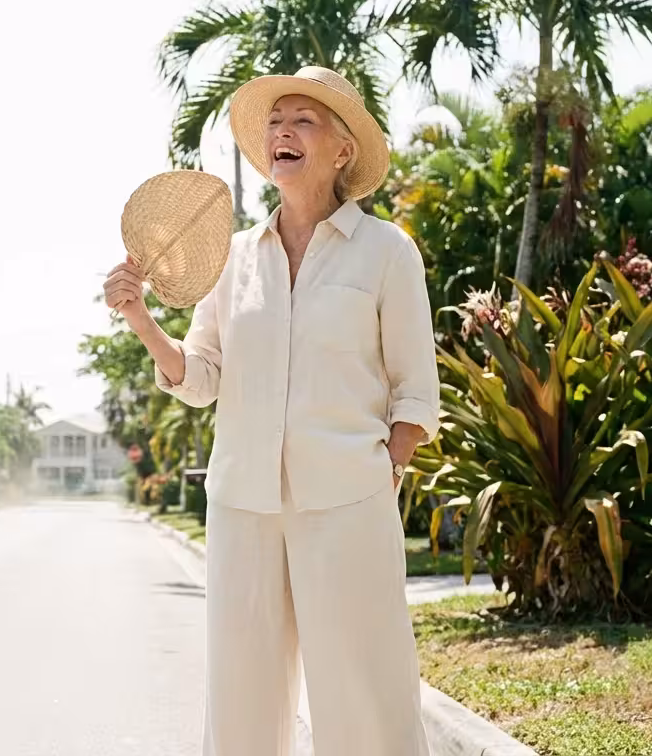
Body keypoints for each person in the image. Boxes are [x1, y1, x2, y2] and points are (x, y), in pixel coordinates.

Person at [103, 66, 439, 756]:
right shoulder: (232, 261)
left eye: (303, 121)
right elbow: (199, 377)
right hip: (243, 503)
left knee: (364, 690)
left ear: (342, 150)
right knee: (241, 695)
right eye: (275, 121)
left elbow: (414, 390)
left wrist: (386, 470)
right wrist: (139, 318)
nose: (282, 132)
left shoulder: (386, 252)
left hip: (349, 499)